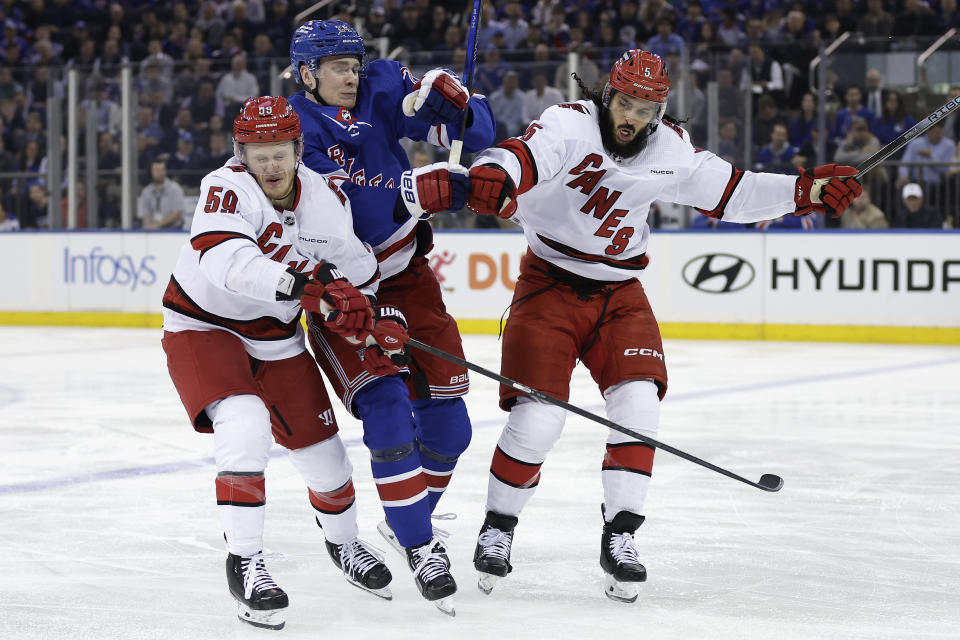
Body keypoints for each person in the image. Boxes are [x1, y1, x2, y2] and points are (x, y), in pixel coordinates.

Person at [415, 50, 861, 602]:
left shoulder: (670, 149)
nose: (631, 117)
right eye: (624, 102)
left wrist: (807, 192)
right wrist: (491, 174)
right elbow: (523, 155)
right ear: (608, 96)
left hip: (620, 296)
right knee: (539, 422)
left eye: (645, 108)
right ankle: (498, 528)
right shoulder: (569, 125)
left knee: (639, 409)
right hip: (548, 286)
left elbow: (735, 191)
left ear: (660, 109)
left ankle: (621, 535)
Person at [160, 96, 394, 630]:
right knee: (243, 423)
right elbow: (225, 260)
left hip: (276, 337)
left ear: (298, 149)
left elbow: (354, 268)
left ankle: (345, 545)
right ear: (240, 152)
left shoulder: (325, 197)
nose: (269, 164)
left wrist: (368, 310)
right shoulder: (225, 188)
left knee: (328, 459)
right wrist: (303, 284)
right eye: (257, 152)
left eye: (279, 152)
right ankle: (245, 561)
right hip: (204, 325)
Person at [287, 20, 495, 612]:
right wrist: (414, 189)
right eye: (336, 67)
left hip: (407, 274)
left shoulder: (381, 83)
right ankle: (421, 543)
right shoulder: (293, 128)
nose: (351, 75)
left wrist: (456, 105)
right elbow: (336, 207)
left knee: (452, 427)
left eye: (354, 64)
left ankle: (407, 521)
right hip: (340, 289)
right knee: (387, 412)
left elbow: (478, 131)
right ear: (307, 74)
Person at [136, 156, 185, 230]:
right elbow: (146, 215)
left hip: (174, 230)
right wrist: (148, 227)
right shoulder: (146, 192)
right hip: (153, 231)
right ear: (151, 172)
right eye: (156, 170)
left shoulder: (175, 188)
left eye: (162, 169)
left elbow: (177, 213)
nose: (160, 173)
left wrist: (158, 225)